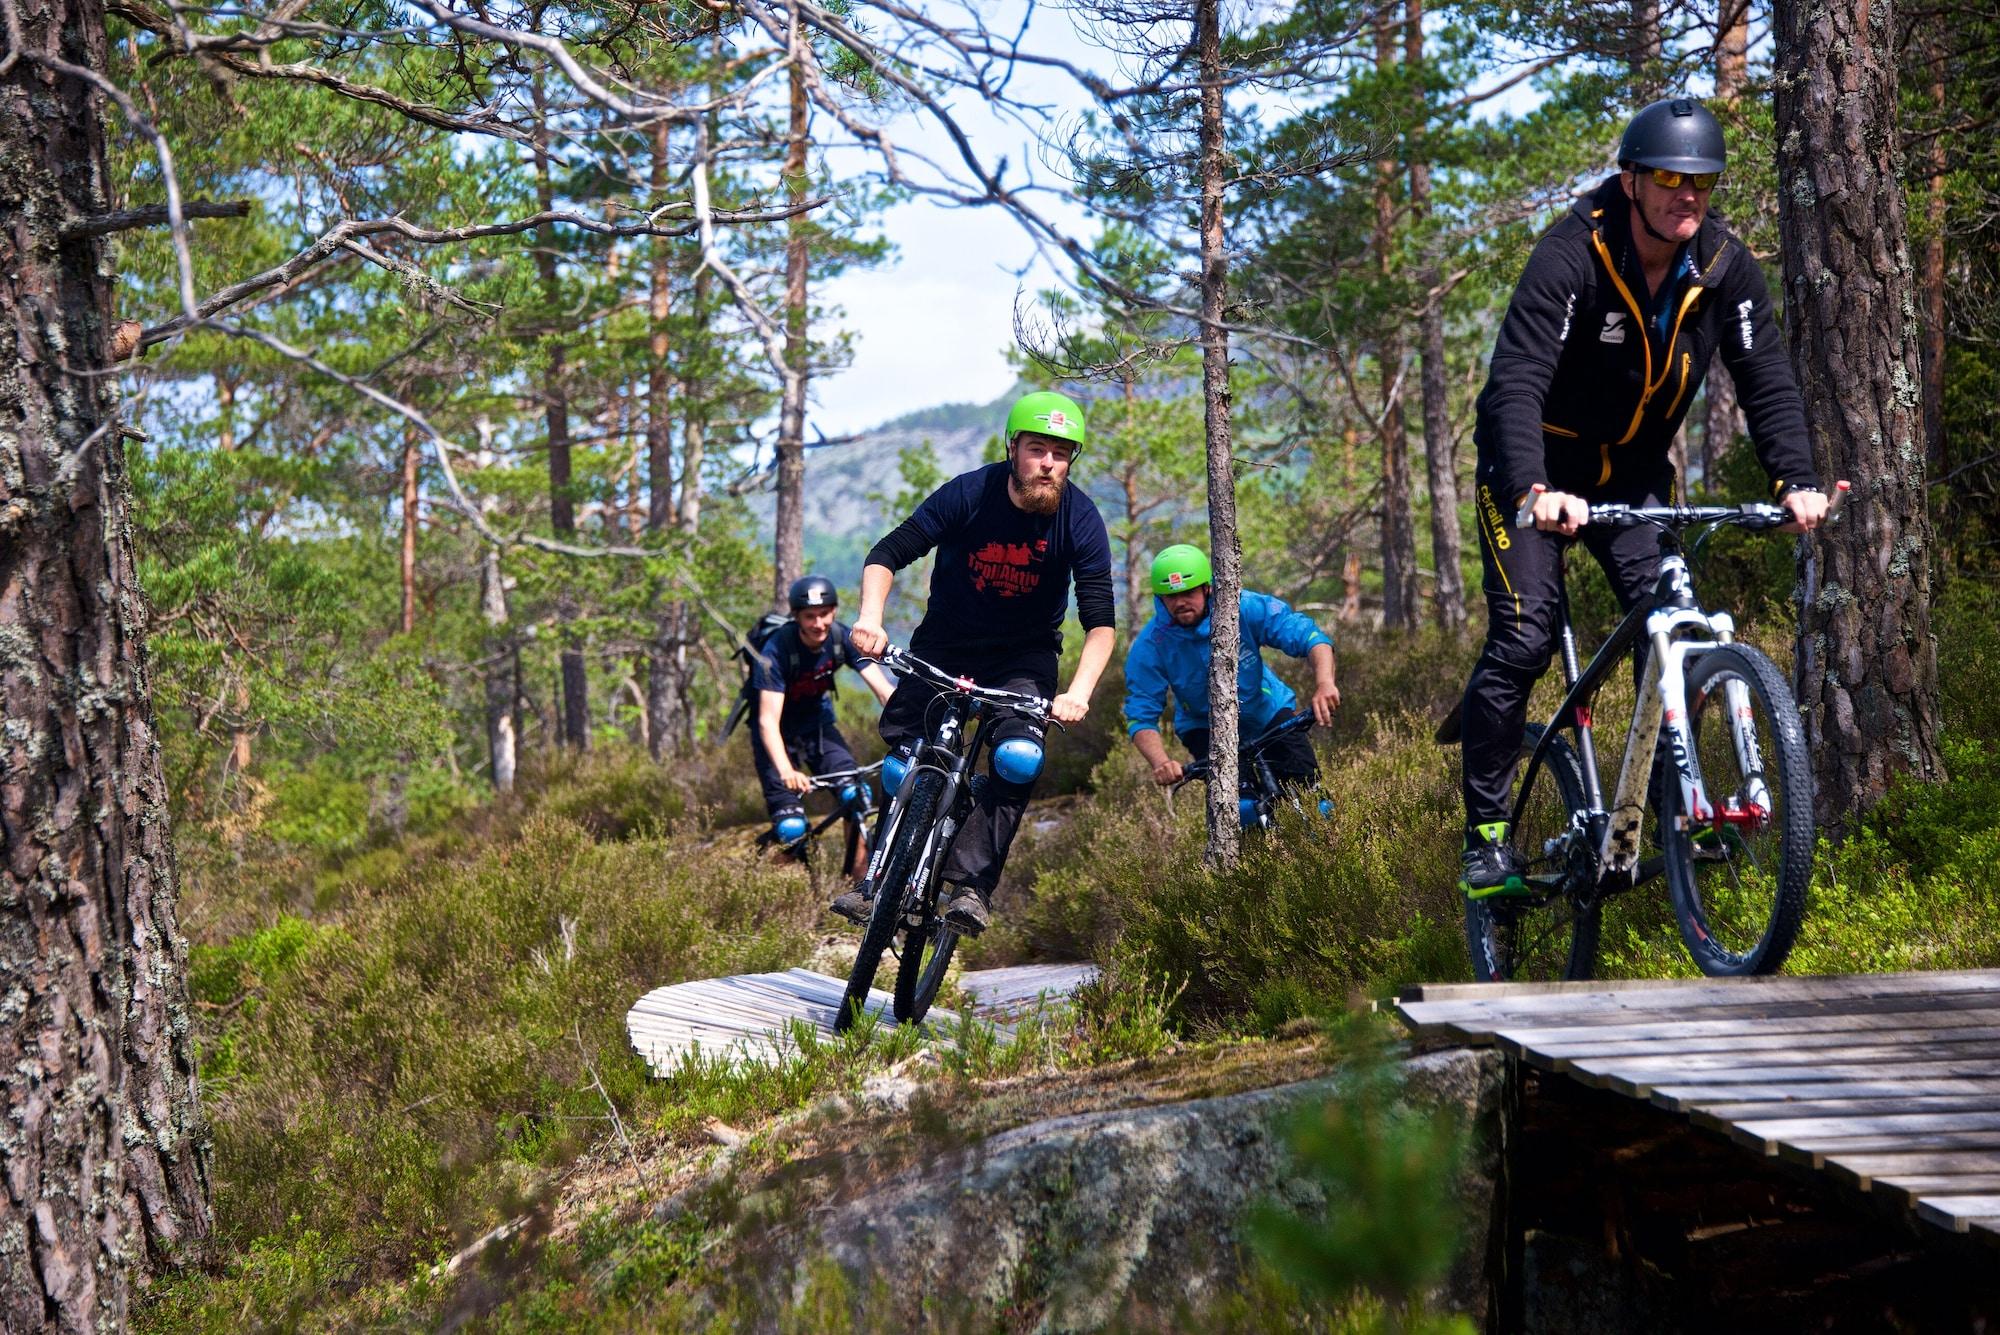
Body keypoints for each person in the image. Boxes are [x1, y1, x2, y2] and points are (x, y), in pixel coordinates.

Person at [1457, 96, 1830, 899]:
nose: (1686, 194)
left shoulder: (1725, 266)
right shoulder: (1573, 252)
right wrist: (1532, 489)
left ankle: (1653, 802)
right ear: (1631, 180)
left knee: (1672, 622)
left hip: (1630, 474)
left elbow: (1765, 378)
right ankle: (1486, 839)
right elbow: (1514, 383)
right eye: (1667, 177)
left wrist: (1795, 479)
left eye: (1702, 180)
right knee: (1523, 638)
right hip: (1534, 470)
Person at [833, 389, 1117, 934]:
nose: (1049, 463)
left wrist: (1077, 692)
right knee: (903, 763)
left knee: (1016, 757)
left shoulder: (1079, 518)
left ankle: (970, 888)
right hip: (947, 642)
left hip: (1023, 657)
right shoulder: (969, 493)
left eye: (1061, 453)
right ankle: (880, 882)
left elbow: (1100, 623)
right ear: (1013, 448)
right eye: (1038, 449)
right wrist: (870, 617)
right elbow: (886, 554)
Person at [1123, 544, 1340, 794]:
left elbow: (1310, 637)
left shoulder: (1243, 607)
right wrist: (1160, 762)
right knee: (1240, 809)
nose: (1181, 602)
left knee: (1312, 797)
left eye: (1189, 592)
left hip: (1267, 711)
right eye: (1171, 596)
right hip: (1204, 728)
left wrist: (1325, 683)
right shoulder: (1151, 644)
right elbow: (1140, 713)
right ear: (1160, 599)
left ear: (1207, 588)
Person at [750, 575, 896, 861]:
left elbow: (883, 691)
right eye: (810, 617)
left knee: (857, 796)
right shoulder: (776, 651)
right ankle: (783, 893)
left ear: (834, 611)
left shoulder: (841, 639)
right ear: (797, 617)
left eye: (824, 614)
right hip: (777, 735)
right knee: (791, 827)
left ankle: (856, 887)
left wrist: (914, 724)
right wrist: (786, 771)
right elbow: (767, 722)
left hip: (817, 726)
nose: (818, 624)